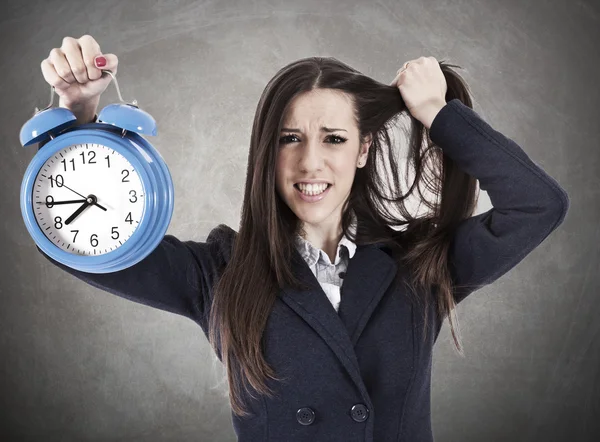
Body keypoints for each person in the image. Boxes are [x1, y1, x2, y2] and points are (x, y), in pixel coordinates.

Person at [36, 35, 570, 441]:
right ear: (267, 152)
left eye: (334, 138)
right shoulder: (219, 274)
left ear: (363, 150)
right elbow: (74, 242)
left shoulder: (420, 266)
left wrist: (436, 114)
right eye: (290, 139)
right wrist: (83, 121)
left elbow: (537, 204)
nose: (310, 162)